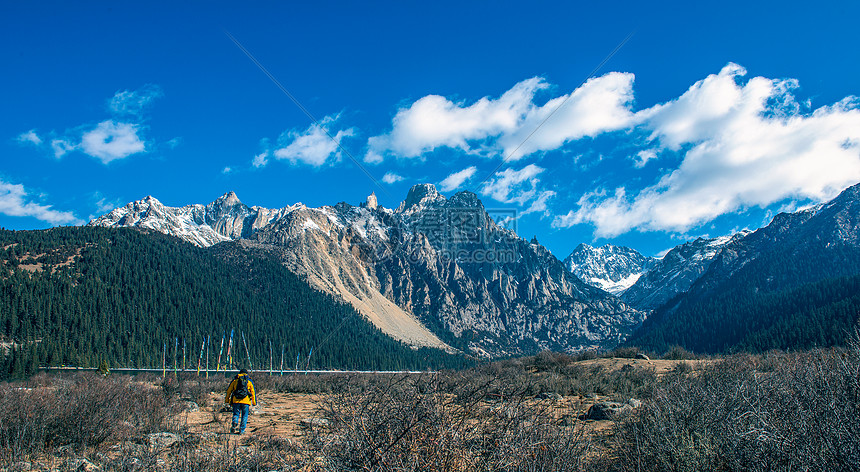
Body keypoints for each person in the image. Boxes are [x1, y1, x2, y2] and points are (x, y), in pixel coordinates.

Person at [224, 368, 256, 434]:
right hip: (246, 401)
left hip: (236, 401)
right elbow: (253, 392)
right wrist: (254, 402)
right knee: (244, 416)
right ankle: (242, 430)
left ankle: (235, 422)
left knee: (236, 413)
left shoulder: (235, 380)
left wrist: (227, 400)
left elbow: (229, 390)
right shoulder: (249, 381)